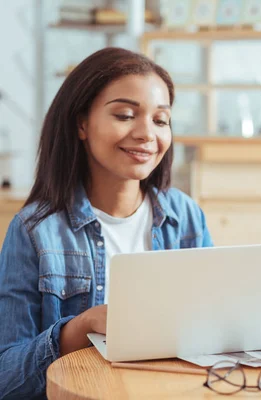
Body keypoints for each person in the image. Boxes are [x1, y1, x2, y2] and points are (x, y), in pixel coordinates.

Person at [0, 47, 212, 399]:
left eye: (161, 120)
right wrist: (80, 328)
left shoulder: (185, 216)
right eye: (126, 115)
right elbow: (6, 378)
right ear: (81, 123)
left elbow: (213, 329)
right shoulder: (34, 230)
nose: (147, 133)